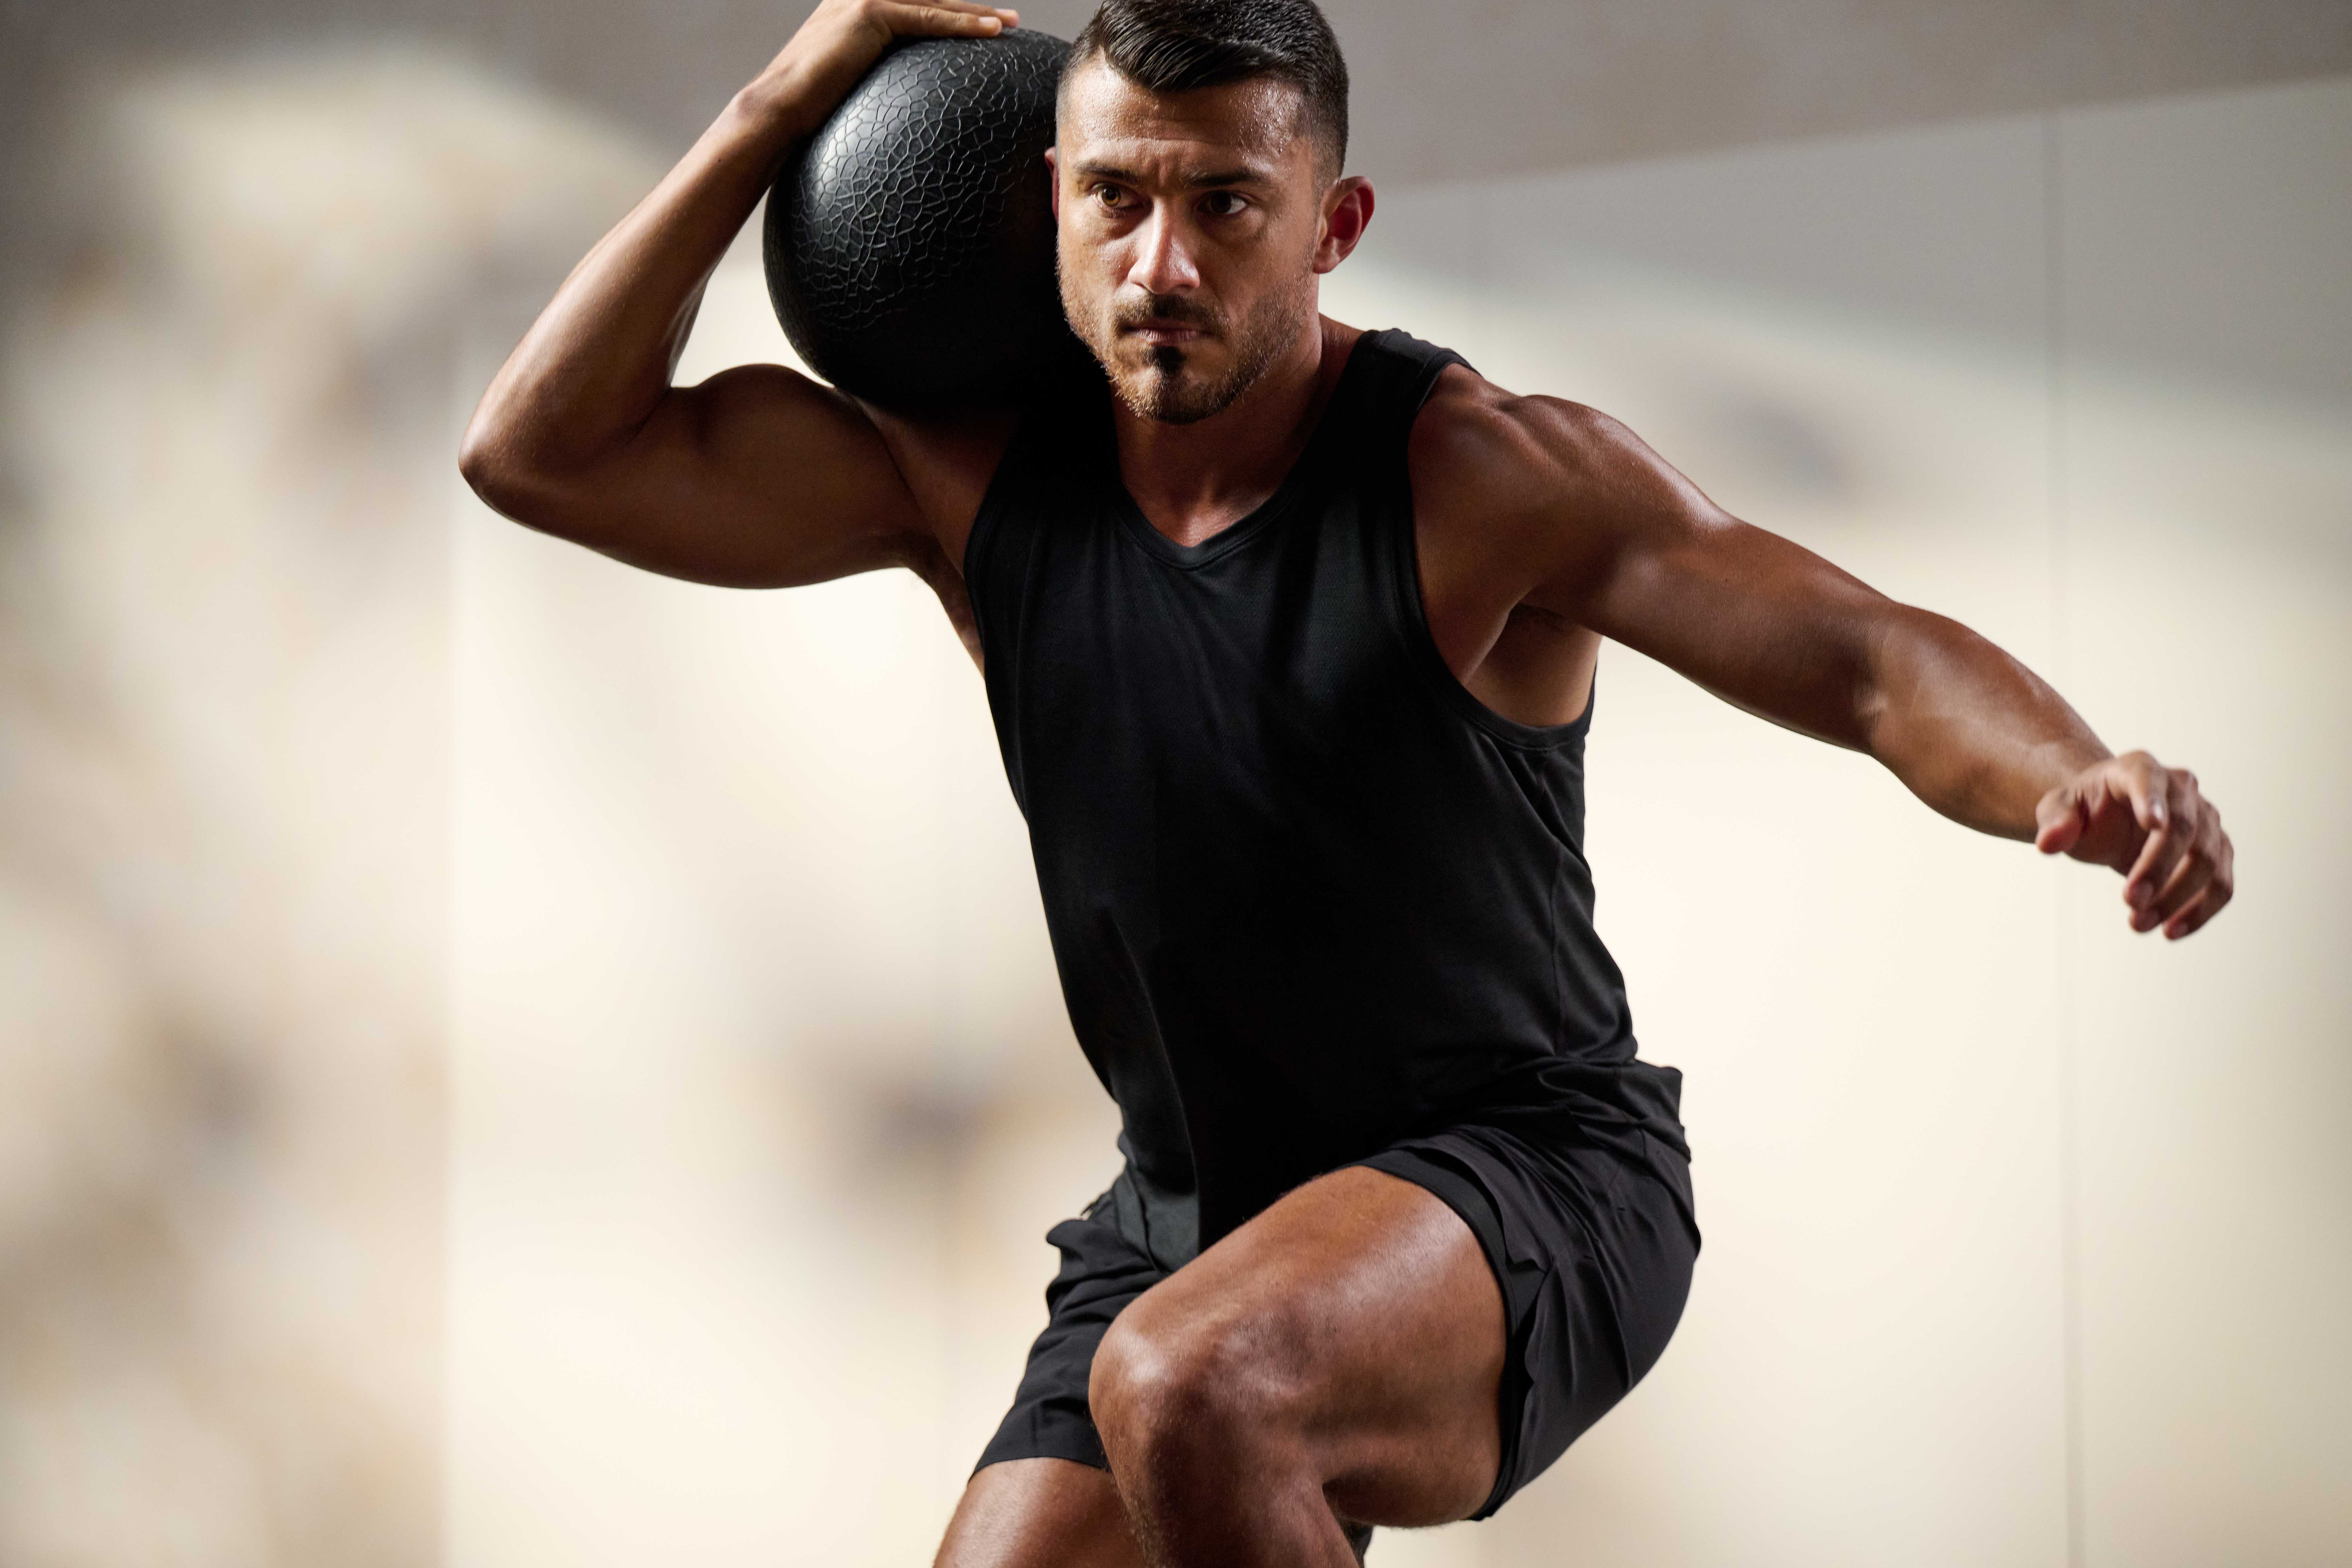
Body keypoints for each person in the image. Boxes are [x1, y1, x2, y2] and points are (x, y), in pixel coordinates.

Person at [459, 0, 2237, 1562]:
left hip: (1536, 1177)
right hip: (1190, 1214)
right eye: (1116, 198)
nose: (1163, 262)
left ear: (1335, 226)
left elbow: (1859, 654)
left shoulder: (1479, 475)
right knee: (1158, 1385)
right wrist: (790, 90)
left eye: (1227, 203)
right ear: (1049, 214)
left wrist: (2080, 771)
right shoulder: (968, 484)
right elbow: (541, 450)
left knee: (1196, 1381)